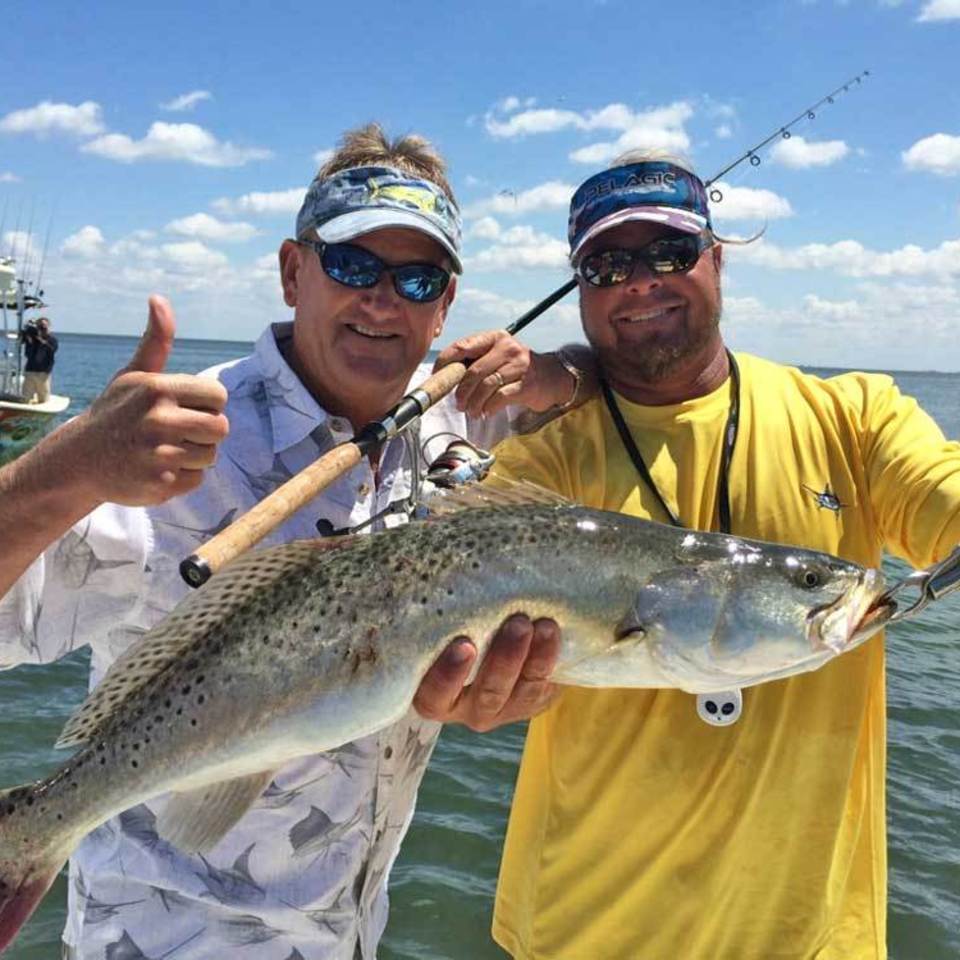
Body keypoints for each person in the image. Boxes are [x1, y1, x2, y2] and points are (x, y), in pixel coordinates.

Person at [0, 123, 583, 960]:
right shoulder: (168, 446)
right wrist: (68, 469)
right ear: (291, 271)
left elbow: (611, 373)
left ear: (446, 305)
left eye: (417, 278)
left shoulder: (461, 414)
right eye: (351, 265)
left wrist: (557, 372)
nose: (383, 300)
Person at [487, 149, 960, 959]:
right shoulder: (543, 463)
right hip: (580, 928)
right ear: (581, 289)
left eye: (669, 253)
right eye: (607, 264)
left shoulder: (856, 418)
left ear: (718, 259)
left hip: (813, 938)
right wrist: (477, 696)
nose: (639, 282)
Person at [20, 315, 58, 403]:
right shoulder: (32, 338)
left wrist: (40, 339)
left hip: (43, 373)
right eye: (40, 327)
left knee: (43, 399)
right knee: (25, 398)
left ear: (49, 327)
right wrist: (26, 334)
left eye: (44, 327)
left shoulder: (52, 340)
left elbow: (52, 350)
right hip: (30, 371)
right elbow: (23, 343)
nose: (42, 329)